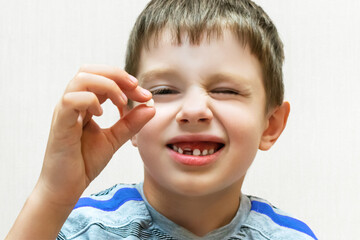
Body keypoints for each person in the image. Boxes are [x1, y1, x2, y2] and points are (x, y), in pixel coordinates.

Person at [7, 0, 318, 239]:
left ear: (271, 125)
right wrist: (53, 193)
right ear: (129, 114)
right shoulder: (83, 229)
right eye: (166, 90)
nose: (195, 110)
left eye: (225, 90)